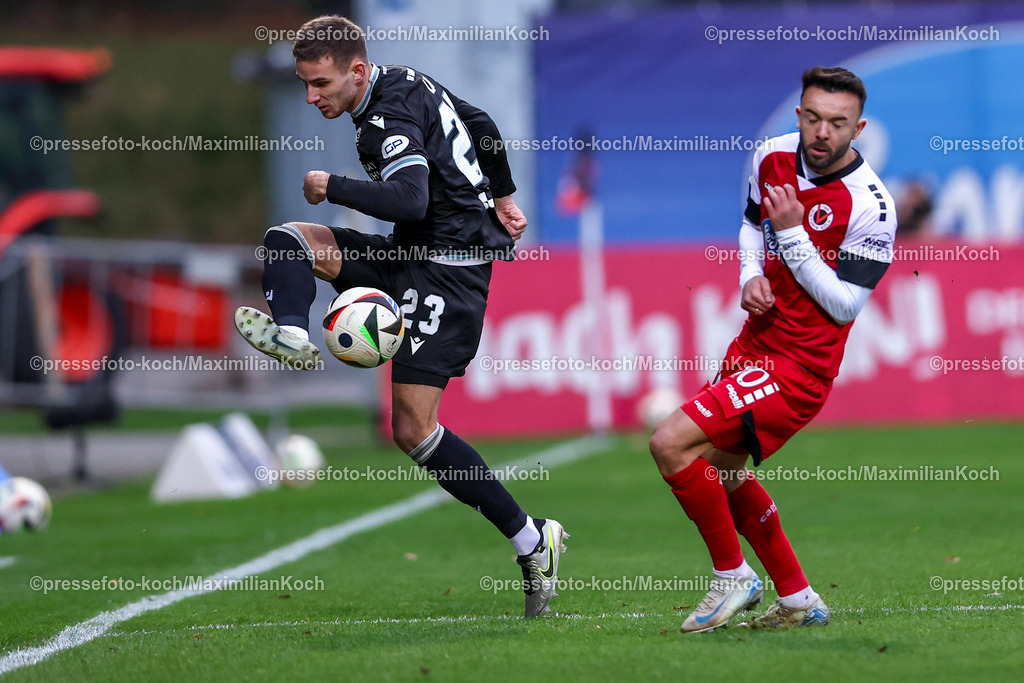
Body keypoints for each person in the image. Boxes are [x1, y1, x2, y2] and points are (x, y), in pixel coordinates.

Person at [234, 15, 567, 617]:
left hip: (448, 271)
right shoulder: (410, 81)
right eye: (306, 84)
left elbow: (411, 198)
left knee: (413, 430)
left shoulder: (382, 119)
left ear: (357, 71)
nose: (311, 97)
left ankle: (531, 539)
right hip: (410, 253)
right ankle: (290, 332)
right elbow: (483, 125)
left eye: (320, 84)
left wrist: (330, 184)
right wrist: (504, 194)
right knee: (289, 240)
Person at [649, 66, 896, 632]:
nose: (821, 133)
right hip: (754, 345)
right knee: (722, 472)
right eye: (812, 118)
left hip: (799, 369)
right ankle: (800, 599)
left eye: (837, 123)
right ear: (799, 115)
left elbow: (845, 306)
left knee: (670, 443)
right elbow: (750, 224)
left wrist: (791, 234)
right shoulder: (771, 156)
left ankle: (731, 575)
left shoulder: (872, 206)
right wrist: (750, 273)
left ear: (857, 128)